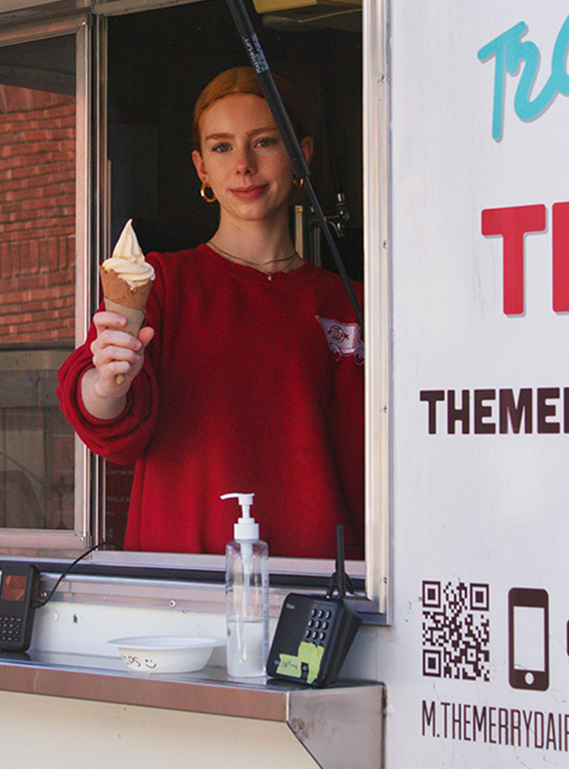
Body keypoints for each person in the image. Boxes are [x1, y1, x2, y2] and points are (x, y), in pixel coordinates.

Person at [56, 67, 365, 558]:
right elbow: (103, 421)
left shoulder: (356, 304)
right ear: (201, 167)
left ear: (301, 156)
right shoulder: (161, 281)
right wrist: (106, 382)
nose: (242, 165)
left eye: (263, 142)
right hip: (184, 594)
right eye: (222, 147)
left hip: (326, 595)